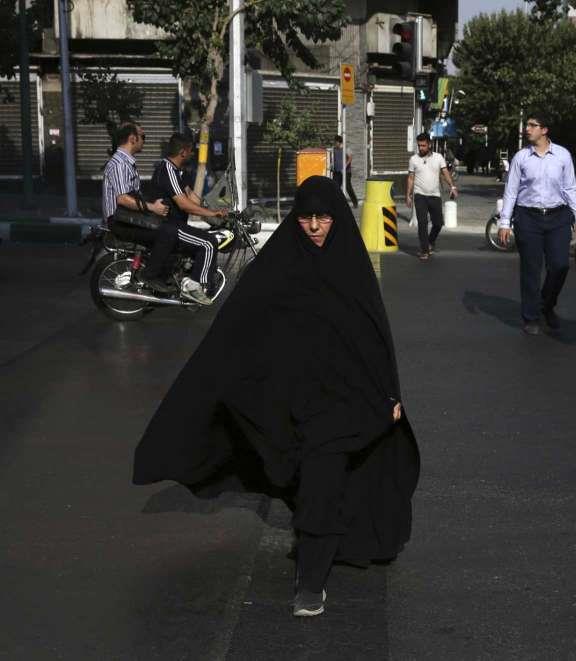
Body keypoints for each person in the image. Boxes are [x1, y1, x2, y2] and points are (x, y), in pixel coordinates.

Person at [133, 176, 420, 617]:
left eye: (323, 217)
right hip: (291, 399)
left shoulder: (351, 267)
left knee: (323, 478)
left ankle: (310, 580)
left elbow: (374, 337)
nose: (314, 226)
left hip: (343, 399)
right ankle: (322, 537)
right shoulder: (279, 265)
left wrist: (389, 393)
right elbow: (239, 327)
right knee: (306, 480)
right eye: (306, 217)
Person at [497, 112, 576, 334]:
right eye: (527, 125)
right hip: (528, 218)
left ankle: (547, 305)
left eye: (532, 125)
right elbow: (511, 191)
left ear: (544, 130)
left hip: (558, 217)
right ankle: (531, 317)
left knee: (560, 265)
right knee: (531, 269)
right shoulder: (521, 157)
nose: (527, 129)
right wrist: (504, 222)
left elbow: (570, 188)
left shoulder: (563, 156)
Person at [143, 132, 227, 306]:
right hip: (169, 226)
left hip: (177, 224)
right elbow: (184, 204)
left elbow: (191, 197)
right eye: (190, 151)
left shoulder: (178, 172)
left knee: (206, 235)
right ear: (182, 152)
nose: (193, 154)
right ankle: (195, 288)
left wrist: (215, 208)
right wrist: (211, 214)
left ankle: (187, 277)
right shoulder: (167, 170)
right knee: (209, 243)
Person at [101, 122, 169, 289]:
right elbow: (123, 199)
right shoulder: (120, 164)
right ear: (132, 138)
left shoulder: (126, 163)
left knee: (168, 226)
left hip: (128, 217)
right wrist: (153, 208)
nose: (144, 141)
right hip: (120, 221)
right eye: (143, 137)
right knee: (166, 234)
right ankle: (150, 276)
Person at [406, 132, 457, 260]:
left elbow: (445, 173)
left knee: (438, 223)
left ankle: (430, 242)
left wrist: (452, 186)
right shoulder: (414, 160)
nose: (421, 148)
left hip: (435, 195)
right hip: (420, 195)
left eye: (423, 145)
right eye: (419, 146)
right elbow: (411, 178)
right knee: (422, 223)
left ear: (429, 144)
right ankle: (424, 250)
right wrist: (408, 195)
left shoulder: (438, 157)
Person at [332, 136, 359, 208]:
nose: (335, 143)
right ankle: (335, 203)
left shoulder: (346, 148)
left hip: (346, 171)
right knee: (335, 187)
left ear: (339, 142)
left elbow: (350, 158)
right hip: (337, 171)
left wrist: (345, 167)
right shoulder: (334, 149)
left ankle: (355, 202)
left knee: (348, 187)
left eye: (335, 142)